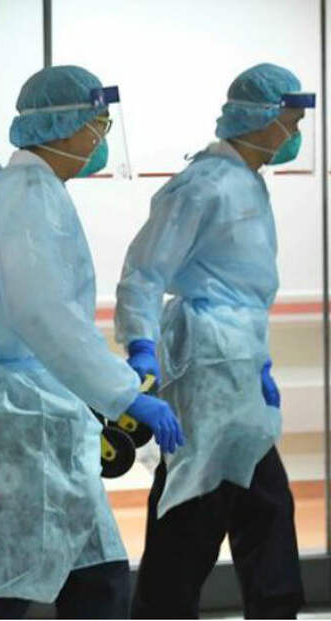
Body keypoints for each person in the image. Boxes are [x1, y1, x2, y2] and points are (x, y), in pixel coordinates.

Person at [0, 65, 184, 619]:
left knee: (97, 575)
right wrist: (124, 392)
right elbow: (42, 311)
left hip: (28, 412)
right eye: (98, 124)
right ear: (67, 125)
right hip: (20, 419)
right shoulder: (29, 196)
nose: (101, 137)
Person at [116, 63, 309, 619]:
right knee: (195, 507)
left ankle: (273, 608)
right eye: (291, 120)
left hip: (238, 366)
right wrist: (141, 347)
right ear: (261, 117)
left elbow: (243, 288)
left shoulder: (247, 181)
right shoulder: (201, 185)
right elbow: (143, 273)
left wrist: (258, 360)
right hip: (205, 369)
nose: (295, 132)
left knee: (261, 504)